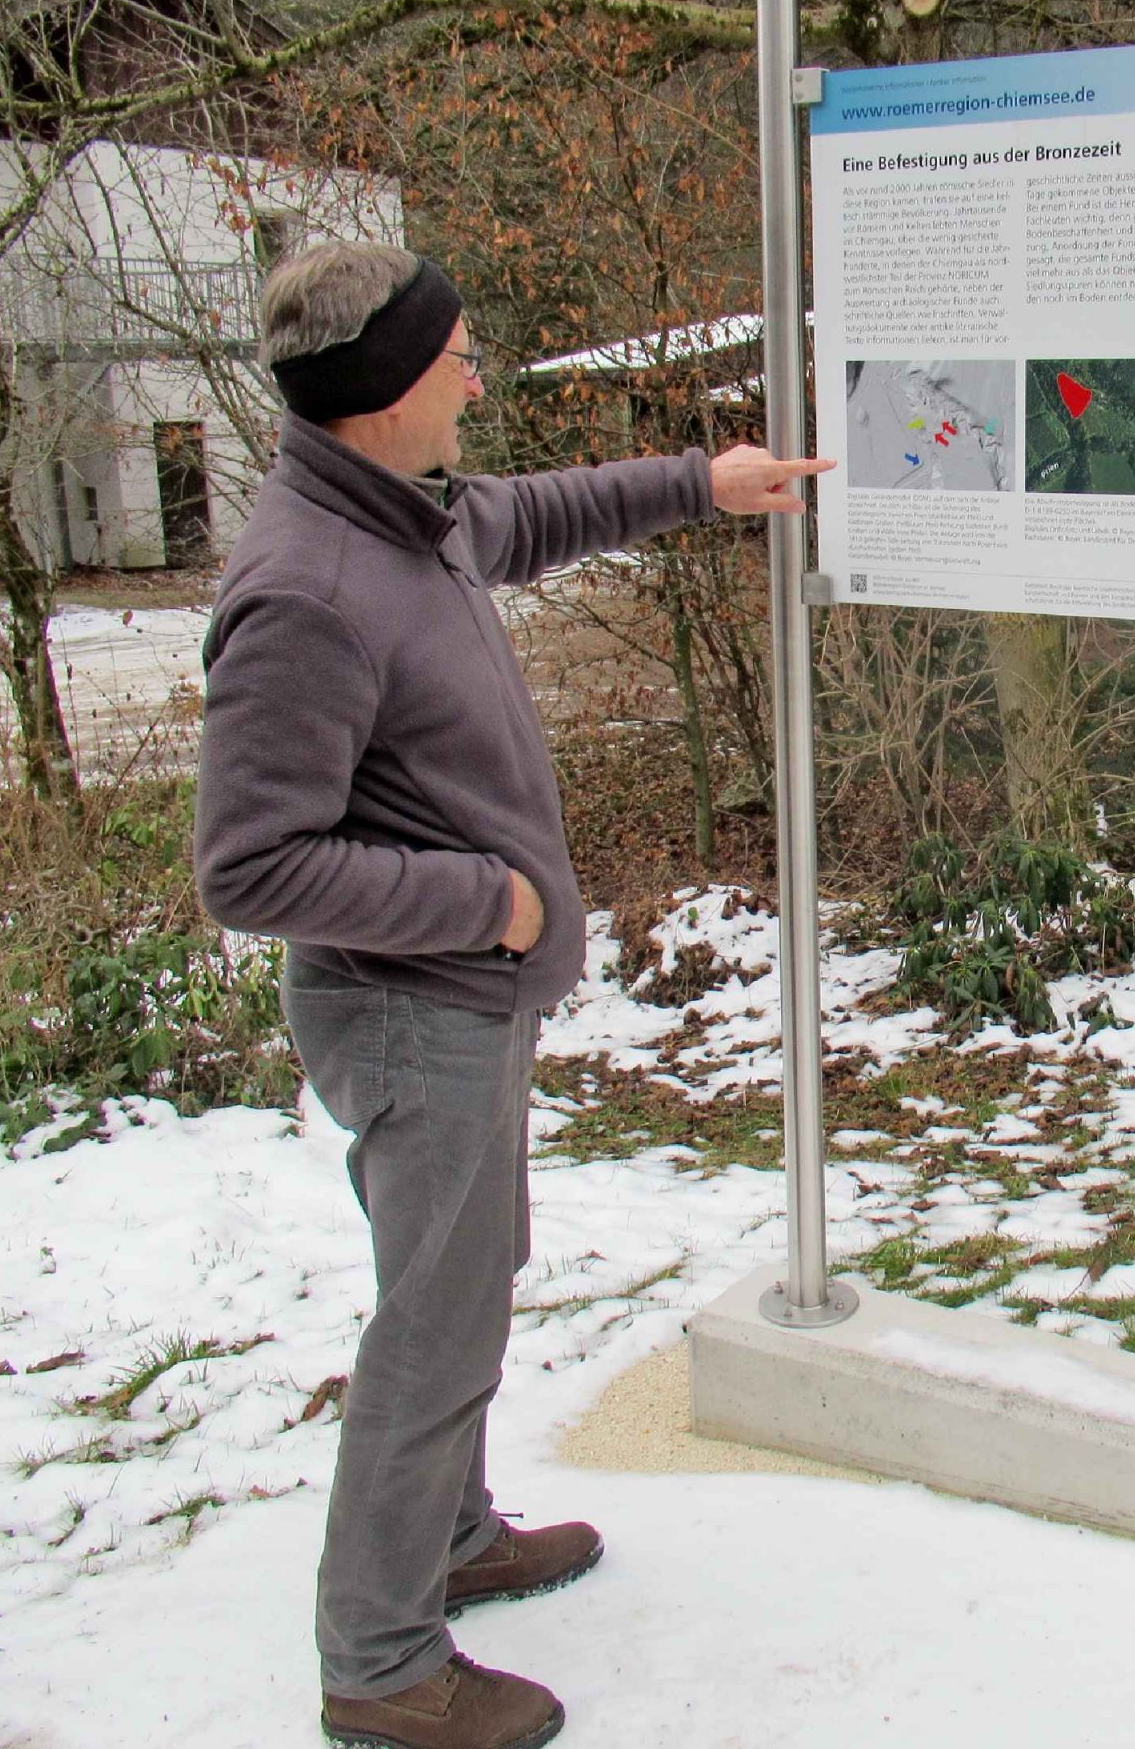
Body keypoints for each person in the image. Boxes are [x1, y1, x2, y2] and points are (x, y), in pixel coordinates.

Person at [193, 241, 830, 1749]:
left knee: (468, 1284)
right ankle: (381, 1664)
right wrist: (487, 903)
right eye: (458, 358)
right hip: (409, 1008)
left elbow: (533, 514)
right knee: (435, 1328)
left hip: (457, 1004)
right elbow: (250, 867)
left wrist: (705, 483)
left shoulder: (401, 517)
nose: (477, 383)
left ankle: (455, 1533)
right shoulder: (307, 590)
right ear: (382, 391)